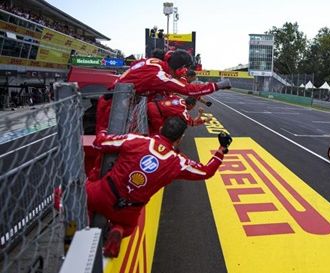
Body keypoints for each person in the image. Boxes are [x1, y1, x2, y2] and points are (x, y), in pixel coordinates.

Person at [86, 116, 233, 257]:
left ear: (161, 128)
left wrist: (103, 131)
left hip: (104, 192)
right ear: (179, 139)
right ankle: (118, 229)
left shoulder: (137, 140)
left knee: (78, 194)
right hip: (128, 210)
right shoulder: (178, 162)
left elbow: (100, 143)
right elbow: (206, 171)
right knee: (129, 227)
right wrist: (221, 149)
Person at [95, 49, 231, 132]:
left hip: (116, 101)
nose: (184, 74)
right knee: (107, 151)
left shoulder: (154, 62)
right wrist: (219, 85)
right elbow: (188, 90)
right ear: (180, 68)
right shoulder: (159, 74)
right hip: (114, 107)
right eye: (184, 69)